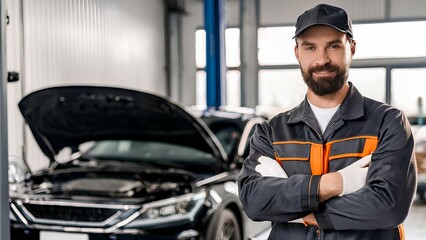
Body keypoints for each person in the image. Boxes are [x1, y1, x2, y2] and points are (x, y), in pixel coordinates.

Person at [237, 3, 417, 240]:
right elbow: (254, 200)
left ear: (351, 48)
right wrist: (335, 183)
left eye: (333, 46)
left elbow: (387, 206)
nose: (322, 59)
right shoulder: (271, 133)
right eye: (310, 47)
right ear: (297, 53)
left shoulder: (388, 123)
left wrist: (302, 211)